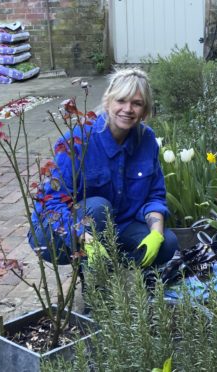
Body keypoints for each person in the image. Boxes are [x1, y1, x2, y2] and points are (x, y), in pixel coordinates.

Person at [28, 68, 178, 269]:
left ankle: (125, 280)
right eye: (121, 100)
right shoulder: (76, 142)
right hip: (56, 230)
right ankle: (95, 284)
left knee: (167, 243)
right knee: (99, 208)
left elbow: (155, 195)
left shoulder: (147, 139)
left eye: (137, 103)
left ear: (145, 110)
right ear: (107, 101)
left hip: (117, 226)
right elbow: (51, 204)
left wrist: (156, 234)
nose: (128, 109)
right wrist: (85, 239)